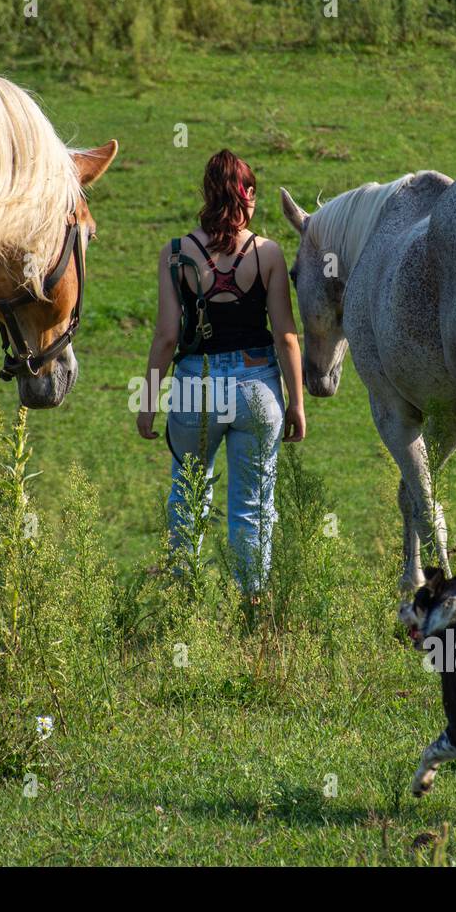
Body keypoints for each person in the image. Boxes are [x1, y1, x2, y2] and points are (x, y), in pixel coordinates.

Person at [136, 149, 306, 597]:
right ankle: (250, 606)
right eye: (252, 192)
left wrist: (148, 404)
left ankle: (185, 603)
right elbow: (287, 336)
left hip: (197, 387)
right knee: (252, 507)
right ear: (246, 194)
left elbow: (167, 338)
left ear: (207, 194)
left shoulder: (175, 254)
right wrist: (297, 405)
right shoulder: (267, 253)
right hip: (257, 386)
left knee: (188, 499)